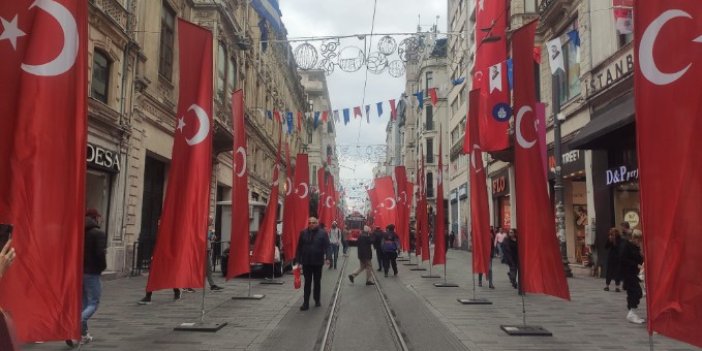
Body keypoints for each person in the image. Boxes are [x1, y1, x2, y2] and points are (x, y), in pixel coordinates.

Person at [67, 209, 107, 347]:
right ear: (95, 218)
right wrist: (102, 268)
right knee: (94, 302)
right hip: (92, 272)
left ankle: (83, 335)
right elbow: (100, 254)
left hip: (80, 272)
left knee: (84, 303)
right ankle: (75, 327)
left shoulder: (80, 232)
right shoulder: (98, 233)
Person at [295, 217, 330, 311]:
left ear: (317, 223)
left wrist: (328, 258)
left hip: (318, 262)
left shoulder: (323, 233)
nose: (311, 224)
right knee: (307, 282)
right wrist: (298, 261)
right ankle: (305, 303)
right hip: (306, 262)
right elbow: (299, 247)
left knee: (317, 282)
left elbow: (327, 246)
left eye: (313, 223)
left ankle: (317, 299)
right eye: (310, 222)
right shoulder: (303, 233)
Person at [185, 217, 224, 292]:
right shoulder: (201, 228)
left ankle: (212, 285)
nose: (212, 222)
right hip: (199, 252)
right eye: (211, 221)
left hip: (207, 251)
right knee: (194, 269)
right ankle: (186, 285)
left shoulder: (208, 230)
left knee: (209, 268)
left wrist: (212, 236)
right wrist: (210, 235)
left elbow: (210, 239)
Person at [619, 228, 645, 324]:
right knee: (637, 292)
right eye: (638, 239)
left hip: (633, 273)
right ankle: (631, 313)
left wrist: (641, 256)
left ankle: (632, 313)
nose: (639, 241)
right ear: (633, 238)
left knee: (633, 293)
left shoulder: (635, 247)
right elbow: (623, 259)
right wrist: (636, 264)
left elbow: (638, 259)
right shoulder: (626, 246)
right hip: (628, 273)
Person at [604, 228, 622, 292]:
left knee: (617, 272)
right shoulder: (610, 238)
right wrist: (609, 240)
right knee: (609, 272)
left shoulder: (619, 239)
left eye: (613, 233)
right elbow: (606, 247)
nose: (611, 234)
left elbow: (620, 247)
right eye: (611, 233)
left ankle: (617, 287)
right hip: (611, 257)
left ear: (616, 233)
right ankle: (607, 286)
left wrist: (614, 241)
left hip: (618, 258)